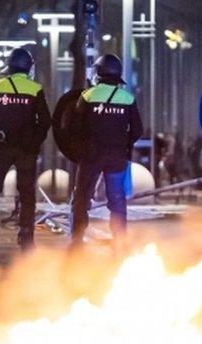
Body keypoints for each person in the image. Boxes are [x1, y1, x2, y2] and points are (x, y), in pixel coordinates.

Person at [0, 48, 51, 255]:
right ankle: (26, 240)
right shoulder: (35, 89)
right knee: (26, 195)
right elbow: (45, 121)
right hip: (26, 152)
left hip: (1, 149)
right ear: (28, 67)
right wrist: (33, 141)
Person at [69, 54, 143, 250]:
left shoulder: (88, 95)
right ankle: (120, 240)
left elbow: (73, 126)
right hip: (117, 157)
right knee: (117, 199)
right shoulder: (127, 98)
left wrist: (81, 147)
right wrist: (123, 144)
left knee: (82, 197)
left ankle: (76, 239)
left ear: (99, 72)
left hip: (91, 157)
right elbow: (137, 130)